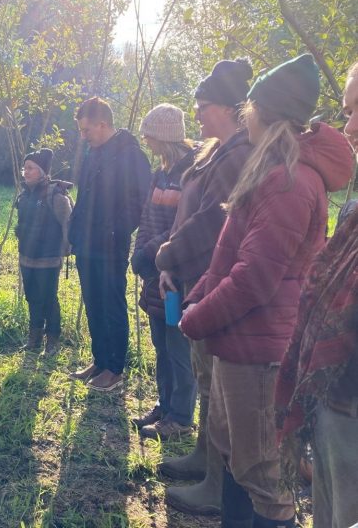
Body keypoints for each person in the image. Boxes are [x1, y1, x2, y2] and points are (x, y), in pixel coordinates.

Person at [179, 54, 354, 528]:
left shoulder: (288, 183)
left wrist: (196, 316)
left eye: (250, 107)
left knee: (263, 476)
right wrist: (200, 292)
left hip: (260, 351)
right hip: (241, 342)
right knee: (240, 458)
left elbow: (254, 278)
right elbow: (230, 253)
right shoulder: (271, 170)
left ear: (265, 114)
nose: (244, 115)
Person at [154, 58, 254, 515]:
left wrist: (169, 253)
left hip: (213, 280)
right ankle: (202, 455)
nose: (195, 113)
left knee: (216, 385)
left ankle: (218, 481)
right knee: (203, 374)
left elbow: (214, 219)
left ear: (233, 107)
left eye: (203, 104)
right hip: (190, 276)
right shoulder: (214, 151)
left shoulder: (240, 154)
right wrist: (170, 263)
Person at [275, 61, 358, 528]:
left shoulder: (293, 183)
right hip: (335, 405)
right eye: (349, 111)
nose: (351, 127)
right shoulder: (354, 210)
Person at [68, 96, 151, 392]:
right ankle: (100, 360)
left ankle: (115, 369)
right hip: (86, 243)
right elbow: (83, 197)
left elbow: (141, 202)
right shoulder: (93, 154)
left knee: (111, 303)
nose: (83, 136)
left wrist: (115, 231)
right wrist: (73, 232)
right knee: (93, 302)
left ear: (103, 124)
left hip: (111, 245)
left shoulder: (131, 156)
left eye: (86, 130)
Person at [129, 104, 197, 439]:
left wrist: (149, 251)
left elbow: (182, 226)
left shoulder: (192, 172)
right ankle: (164, 405)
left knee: (177, 345)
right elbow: (147, 217)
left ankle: (181, 418)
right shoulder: (161, 172)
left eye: (149, 134)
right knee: (160, 342)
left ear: (165, 135)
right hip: (154, 271)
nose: (145, 140)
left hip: (177, 273)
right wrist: (141, 253)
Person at [15, 148, 72, 356]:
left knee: (49, 298)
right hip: (26, 257)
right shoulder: (24, 195)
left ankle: (53, 341)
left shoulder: (55, 195)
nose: (26, 172)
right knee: (32, 298)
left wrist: (65, 249)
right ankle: (34, 338)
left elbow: (67, 223)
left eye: (31, 168)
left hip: (48, 259)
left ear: (42, 171)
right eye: (25, 168)